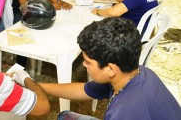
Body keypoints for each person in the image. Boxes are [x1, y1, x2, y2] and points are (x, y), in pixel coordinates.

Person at [40, 17, 181, 120]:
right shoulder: (138, 72)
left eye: (88, 62)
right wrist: (39, 86)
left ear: (111, 69)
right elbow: (82, 90)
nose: (84, 65)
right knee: (65, 116)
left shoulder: (123, 113)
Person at [13, 0, 72, 66]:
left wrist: (61, 2)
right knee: (24, 44)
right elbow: (24, 6)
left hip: (35, 13)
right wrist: (51, 6)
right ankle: (20, 66)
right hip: (22, 15)